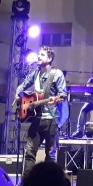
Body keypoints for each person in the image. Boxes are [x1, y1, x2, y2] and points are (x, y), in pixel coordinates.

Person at [16, 46, 67, 178]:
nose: (38, 56)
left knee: (50, 155)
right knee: (29, 151)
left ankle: (49, 184)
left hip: (51, 119)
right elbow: (23, 86)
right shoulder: (35, 73)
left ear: (49, 59)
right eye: (38, 54)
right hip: (36, 118)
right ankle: (27, 183)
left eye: (42, 55)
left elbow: (63, 95)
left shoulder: (57, 73)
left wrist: (56, 99)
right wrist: (18, 95)